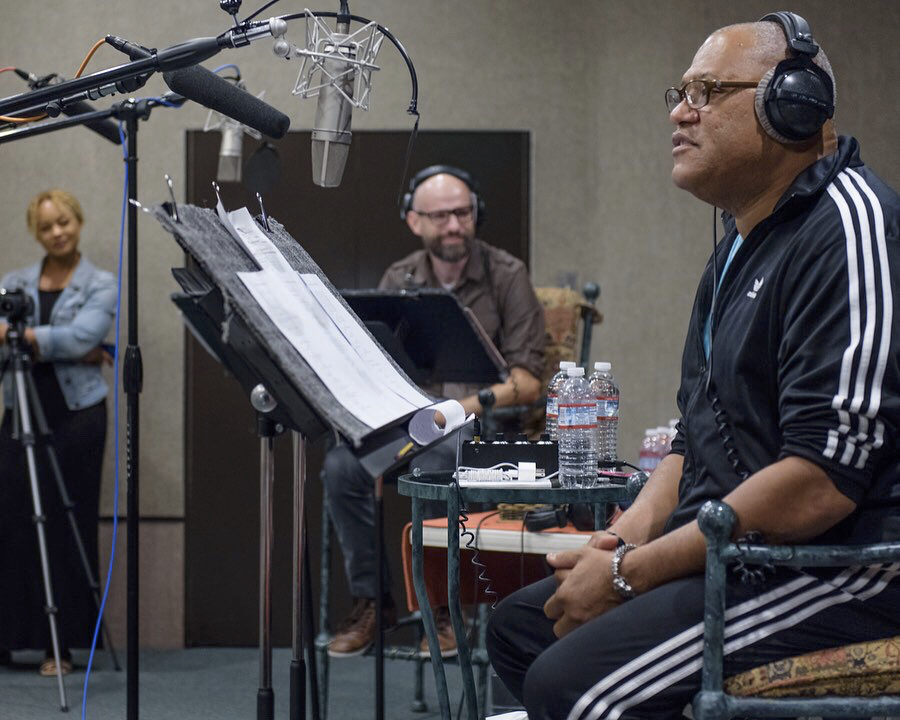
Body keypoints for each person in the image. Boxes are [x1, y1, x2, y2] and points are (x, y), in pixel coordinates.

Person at [486, 13, 899, 720]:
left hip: (844, 567)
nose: (680, 112)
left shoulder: (849, 226)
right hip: (748, 551)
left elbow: (823, 484)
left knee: (569, 686)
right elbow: (696, 435)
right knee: (522, 628)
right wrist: (625, 536)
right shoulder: (737, 246)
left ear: (792, 103)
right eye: (679, 92)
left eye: (707, 91)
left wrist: (625, 574)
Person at [324, 165, 546, 657]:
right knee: (342, 467)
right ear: (415, 221)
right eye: (441, 216)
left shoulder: (507, 274)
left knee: (436, 463)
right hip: (408, 421)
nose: (453, 226)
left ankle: (444, 609)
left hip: (478, 423)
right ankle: (372, 602)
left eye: (463, 213)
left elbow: (529, 380)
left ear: (476, 214)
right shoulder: (399, 277)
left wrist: (458, 409)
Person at [0, 189, 117, 676]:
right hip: (21, 408)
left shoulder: (101, 282)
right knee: (12, 520)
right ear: (36, 232)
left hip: (77, 416)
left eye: (64, 221)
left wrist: (24, 339)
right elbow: (75, 344)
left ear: (78, 220)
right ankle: (9, 638)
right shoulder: (15, 282)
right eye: (47, 227)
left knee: (69, 520)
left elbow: (85, 336)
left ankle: (61, 647)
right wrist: (66, 347)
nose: (58, 232)